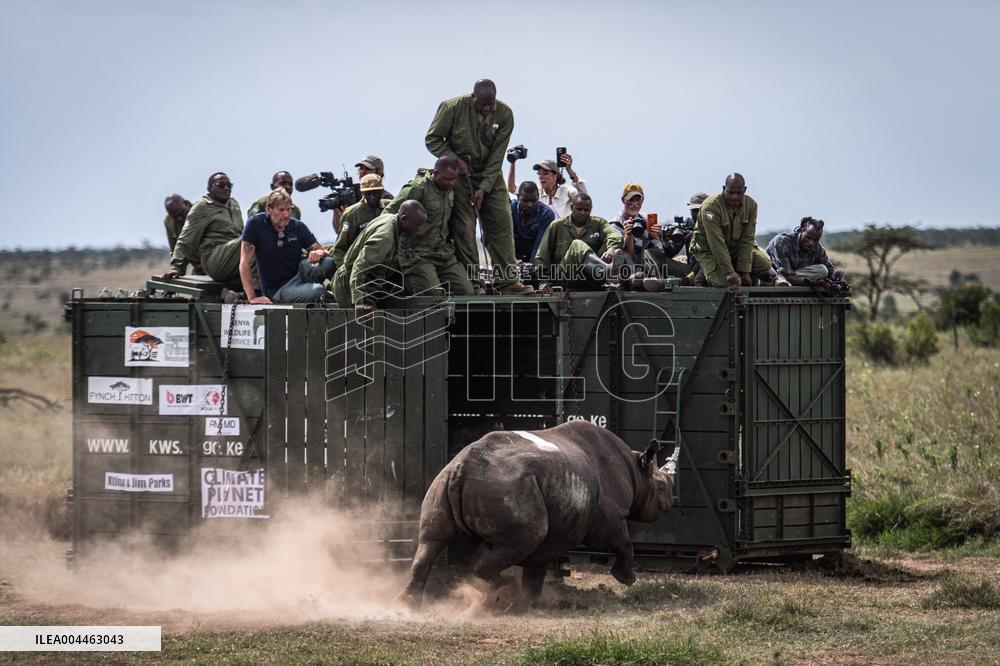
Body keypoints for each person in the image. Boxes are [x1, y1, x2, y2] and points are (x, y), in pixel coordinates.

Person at [425, 79, 532, 295]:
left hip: (490, 174)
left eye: (489, 105)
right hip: (460, 174)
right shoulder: (452, 108)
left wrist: (484, 187)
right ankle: (475, 283)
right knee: (464, 227)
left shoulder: (504, 114)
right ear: (473, 97)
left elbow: (498, 156)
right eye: (481, 104)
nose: (486, 109)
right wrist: (455, 160)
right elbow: (433, 139)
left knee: (501, 223)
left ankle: (508, 283)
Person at [382, 157, 473, 296]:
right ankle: (407, 282)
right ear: (435, 173)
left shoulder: (449, 190)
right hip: (418, 255)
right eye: (447, 179)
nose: (451, 183)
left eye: (454, 179)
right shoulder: (417, 188)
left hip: (443, 255)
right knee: (434, 295)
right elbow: (388, 215)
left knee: (466, 291)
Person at [239, 188, 334, 304]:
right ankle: (323, 292)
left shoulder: (297, 226)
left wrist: (320, 253)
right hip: (279, 289)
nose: (286, 214)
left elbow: (322, 250)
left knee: (328, 262)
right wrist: (252, 297)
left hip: (300, 272)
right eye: (281, 210)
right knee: (317, 291)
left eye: (289, 209)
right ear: (269, 210)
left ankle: (339, 289)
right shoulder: (256, 224)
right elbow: (244, 264)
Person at [331, 201, 428, 310]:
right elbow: (360, 266)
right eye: (417, 225)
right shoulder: (384, 237)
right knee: (371, 323)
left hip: (370, 285)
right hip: (353, 285)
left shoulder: (391, 219)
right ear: (404, 219)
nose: (420, 229)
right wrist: (358, 300)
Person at [688, 173, 773, 290]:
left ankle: (735, 273)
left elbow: (747, 239)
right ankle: (701, 274)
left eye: (738, 193)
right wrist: (729, 272)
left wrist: (745, 272)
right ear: (724, 189)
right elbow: (716, 243)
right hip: (708, 250)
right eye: (730, 192)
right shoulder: (711, 207)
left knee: (764, 264)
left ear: (745, 190)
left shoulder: (751, 205)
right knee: (725, 283)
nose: (734, 197)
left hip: (733, 249)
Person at [534, 193, 625, 291]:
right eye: (579, 209)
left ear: (591, 209)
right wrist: (543, 281)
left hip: (592, 278)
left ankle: (611, 273)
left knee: (612, 245)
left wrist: (611, 250)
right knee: (577, 245)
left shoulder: (598, 224)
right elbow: (541, 257)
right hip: (566, 276)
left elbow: (616, 235)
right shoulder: (557, 226)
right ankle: (607, 271)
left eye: (586, 210)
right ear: (572, 207)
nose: (583, 213)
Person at [167, 172, 244, 282]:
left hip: (234, 258)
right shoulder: (202, 207)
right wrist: (176, 268)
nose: (226, 188)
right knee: (251, 239)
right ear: (209, 188)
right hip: (215, 259)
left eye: (229, 185)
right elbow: (186, 240)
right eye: (221, 185)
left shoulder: (234, 204)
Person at [608, 183, 687, 282]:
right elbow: (627, 256)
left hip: (650, 265)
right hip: (629, 268)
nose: (635, 204)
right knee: (644, 253)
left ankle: (676, 279)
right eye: (631, 200)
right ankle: (657, 280)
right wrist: (628, 235)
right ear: (623, 200)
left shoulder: (647, 220)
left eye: (638, 200)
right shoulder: (615, 225)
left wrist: (659, 237)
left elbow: (663, 252)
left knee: (679, 261)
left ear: (643, 200)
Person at [766, 217, 848, 289]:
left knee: (822, 270)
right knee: (821, 271)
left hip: (795, 276)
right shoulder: (782, 242)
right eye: (808, 237)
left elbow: (830, 270)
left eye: (815, 240)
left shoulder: (817, 248)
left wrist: (838, 282)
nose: (811, 243)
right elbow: (788, 277)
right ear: (802, 230)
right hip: (775, 277)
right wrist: (816, 283)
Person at [329, 174, 391, 266]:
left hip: (388, 262)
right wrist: (345, 272)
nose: (373, 197)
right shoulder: (352, 214)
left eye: (376, 192)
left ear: (381, 191)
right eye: (369, 193)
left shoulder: (390, 207)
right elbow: (339, 249)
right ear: (362, 193)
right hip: (361, 265)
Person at [507, 151, 586, 219]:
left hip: (563, 234)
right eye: (539, 174)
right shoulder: (536, 191)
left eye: (545, 173)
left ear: (556, 176)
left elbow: (584, 197)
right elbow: (512, 188)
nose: (541, 177)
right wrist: (512, 163)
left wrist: (569, 170)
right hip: (541, 234)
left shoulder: (566, 191)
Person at [332, 155, 394, 234]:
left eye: (368, 169)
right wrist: (337, 210)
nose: (362, 172)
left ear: (379, 173)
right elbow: (340, 232)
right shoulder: (352, 194)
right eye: (361, 168)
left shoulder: (386, 198)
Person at [510, 181, 555, 263]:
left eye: (534, 201)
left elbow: (540, 245)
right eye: (525, 201)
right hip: (511, 253)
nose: (530, 205)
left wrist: (532, 266)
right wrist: (512, 261)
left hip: (535, 254)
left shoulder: (546, 214)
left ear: (538, 197)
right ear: (518, 197)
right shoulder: (510, 209)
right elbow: (503, 238)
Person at [162, 194, 201, 275]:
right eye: (175, 217)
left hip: (214, 263)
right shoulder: (169, 221)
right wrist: (176, 270)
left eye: (181, 213)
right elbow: (175, 248)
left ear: (186, 204)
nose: (179, 219)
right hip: (198, 267)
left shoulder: (201, 211)